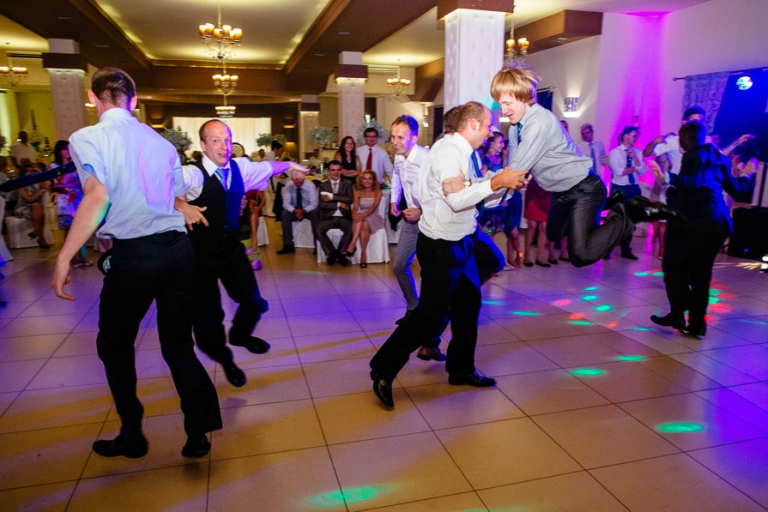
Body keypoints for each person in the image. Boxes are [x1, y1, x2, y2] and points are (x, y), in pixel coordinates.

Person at [52, 67, 222, 459]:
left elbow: (98, 196)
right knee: (178, 344)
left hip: (136, 254)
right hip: (178, 251)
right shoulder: (160, 142)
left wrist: (64, 256)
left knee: (114, 344)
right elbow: (174, 198)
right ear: (135, 100)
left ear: (92, 98)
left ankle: (132, 433)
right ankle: (198, 432)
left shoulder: (87, 138)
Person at [369, 102, 528, 408]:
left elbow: (474, 194)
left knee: (469, 306)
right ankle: (383, 369)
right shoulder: (447, 152)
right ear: (473, 124)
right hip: (441, 247)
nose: (490, 132)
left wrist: (505, 186)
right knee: (428, 317)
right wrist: (498, 182)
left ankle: (461, 369)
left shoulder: (464, 152)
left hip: (462, 240)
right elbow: (456, 199)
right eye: (487, 125)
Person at [443, 66, 682, 269]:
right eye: (500, 104)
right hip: (560, 194)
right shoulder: (516, 128)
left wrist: (468, 186)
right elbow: (509, 171)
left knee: (581, 254)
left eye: (507, 103)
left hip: (583, 188)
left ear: (524, 96)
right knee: (554, 234)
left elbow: (515, 172)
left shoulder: (539, 122)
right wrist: (483, 186)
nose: (503, 111)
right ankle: (611, 202)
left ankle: (631, 213)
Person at [176, 119, 307, 388]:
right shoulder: (192, 174)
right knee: (208, 319)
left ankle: (239, 336)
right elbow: (155, 186)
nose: (224, 146)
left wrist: (290, 165)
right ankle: (226, 360)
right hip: (200, 256)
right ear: (203, 145)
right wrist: (181, 204)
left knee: (254, 302)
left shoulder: (239, 167)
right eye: (215, 140)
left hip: (231, 250)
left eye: (227, 139)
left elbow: (267, 167)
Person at [651, 121, 754, 337]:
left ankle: (680, 311)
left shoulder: (693, 154)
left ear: (682, 143)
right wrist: (745, 175)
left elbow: (692, 183)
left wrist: (666, 177)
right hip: (718, 224)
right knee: (700, 274)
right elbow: (738, 191)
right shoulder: (720, 157)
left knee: (672, 265)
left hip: (698, 222)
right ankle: (696, 323)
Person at [389, 114, 446, 361]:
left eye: (400, 137)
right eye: (393, 137)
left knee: (431, 276)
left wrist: (422, 211)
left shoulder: (428, 159)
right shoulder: (398, 155)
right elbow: (396, 176)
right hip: (411, 221)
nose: (395, 142)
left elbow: (439, 192)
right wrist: (394, 199)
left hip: (430, 222)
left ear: (414, 138)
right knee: (399, 265)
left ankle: (429, 334)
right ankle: (413, 306)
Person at [607, 126, 647, 260]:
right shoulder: (615, 153)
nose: (635, 138)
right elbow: (619, 172)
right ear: (625, 136)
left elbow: (643, 171)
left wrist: (635, 158)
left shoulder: (638, 152)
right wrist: (635, 168)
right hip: (620, 188)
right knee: (616, 219)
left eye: (636, 136)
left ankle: (626, 249)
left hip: (633, 188)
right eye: (633, 136)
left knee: (630, 220)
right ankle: (607, 248)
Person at [51, 140, 91, 266]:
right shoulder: (54, 166)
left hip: (78, 197)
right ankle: (71, 257)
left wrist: (66, 184)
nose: (68, 152)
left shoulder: (76, 164)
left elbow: (81, 181)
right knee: (69, 229)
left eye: (69, 149)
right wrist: (67, 168)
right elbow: (62, 180)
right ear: (59, 151)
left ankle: (83, 257)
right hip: (65, 200)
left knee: (81, 227)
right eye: (65, 149)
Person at [316, 160, 354, 266]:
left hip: (344, 216)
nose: (336, 173)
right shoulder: (323, 185)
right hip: (328, 217)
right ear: (329, 171)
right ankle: (332, 253)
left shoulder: (348, 183)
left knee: (350, 228)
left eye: (338, 170)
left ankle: (340, 253)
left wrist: (331, 197)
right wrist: (339, 204)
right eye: (333, 170)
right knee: (318, 229)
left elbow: (349, 199)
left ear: (341, 171)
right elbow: (322, 204)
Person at [344, 169, 383, 268]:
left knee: (360, 219)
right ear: (361, 180)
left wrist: (363, 215)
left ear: (373, 180)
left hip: (373, 216)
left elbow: (373, 207)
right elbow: (355, 207)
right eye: (365, 179)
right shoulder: (358, 192)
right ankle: (363, 255)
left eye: (370, 179)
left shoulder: (377, 192)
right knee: (363, 224)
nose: (367, 181)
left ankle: (352, 244)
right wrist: (354, 215)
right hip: (362, 216)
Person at [277, 168, 319, 254]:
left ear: (304, 177)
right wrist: (295, 210)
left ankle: (318, 245)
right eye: (296, 179)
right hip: (295, 209)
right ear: (292, 179)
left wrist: (303, 211)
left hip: (308, 209)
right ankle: (288, 245)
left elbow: (314, 204)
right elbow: (285, 204)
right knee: (284, 214)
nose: (298, 181)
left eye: (300, 179)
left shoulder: (310, 185)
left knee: (315, 213)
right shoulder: (289, 185)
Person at [15, 162, 51, 248]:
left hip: (36, 208)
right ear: (23, 173)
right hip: (23, 208)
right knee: (38, 207)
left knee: (39, 209)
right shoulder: (19, 184)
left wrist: (39, 172)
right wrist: (40, 191)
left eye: (32, 171)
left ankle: (36, 233)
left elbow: (49, 185)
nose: (30, 173)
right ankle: (40, 237)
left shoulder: (37, 182)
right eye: (27, 171)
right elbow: (29, 199)